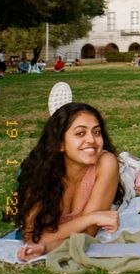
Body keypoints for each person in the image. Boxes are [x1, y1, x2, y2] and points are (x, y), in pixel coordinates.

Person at [15, 102, 123, 262]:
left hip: (107, 177)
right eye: (80, 133)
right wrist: (90, 218)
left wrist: (46, 246)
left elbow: (88, 234)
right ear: (59, 143)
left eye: (97, 132)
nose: (92, 140)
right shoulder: (40, 174)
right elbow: (31, 237)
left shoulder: (106, 162)